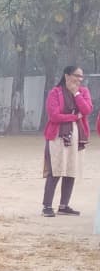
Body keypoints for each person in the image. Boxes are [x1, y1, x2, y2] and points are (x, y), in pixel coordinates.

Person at [41, 65, 92, 216]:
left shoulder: (83, 92)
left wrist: (76, 93)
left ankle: (64, 205)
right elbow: (54, 116)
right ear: (67, 76)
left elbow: (87, 110)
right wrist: (74, 117)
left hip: (77, 136)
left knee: (71, 170)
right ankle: (47, 206)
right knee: (55, 170)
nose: (79, 79)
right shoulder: (55, 92)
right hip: (57, 136)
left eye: (81, 76)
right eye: (76, 75)